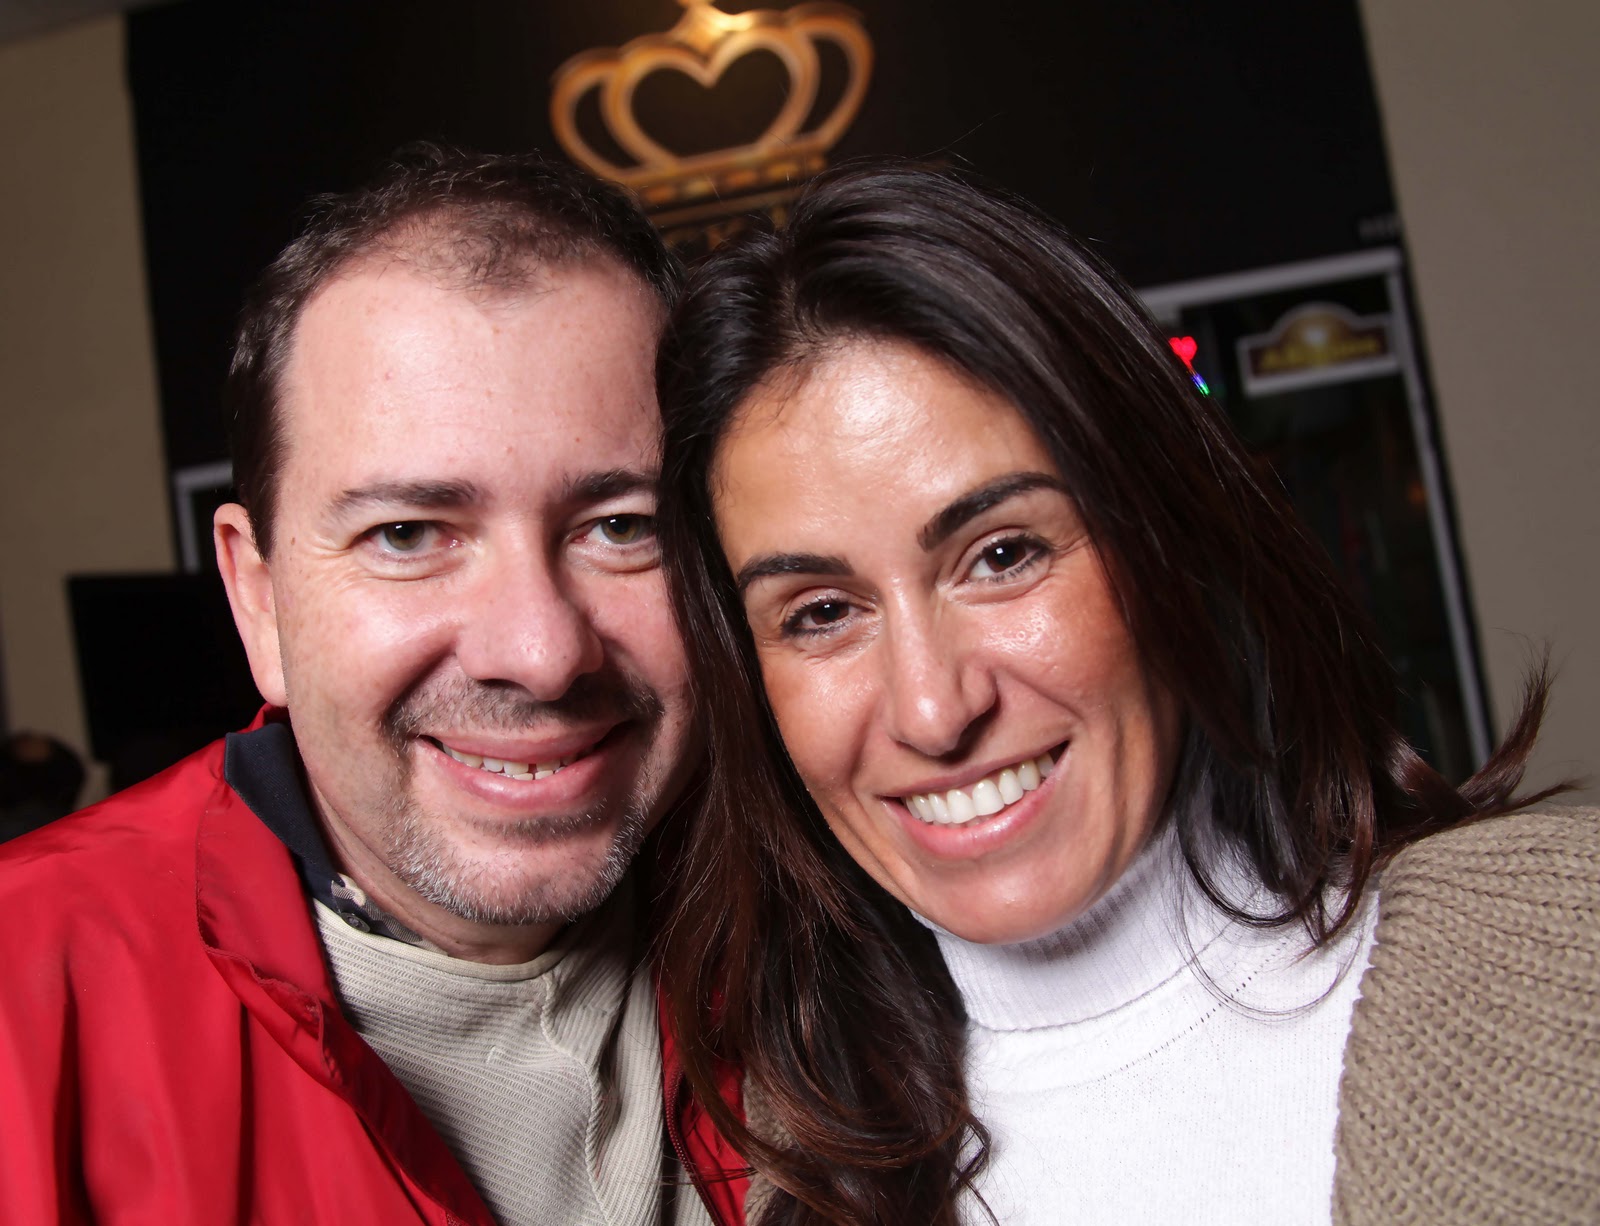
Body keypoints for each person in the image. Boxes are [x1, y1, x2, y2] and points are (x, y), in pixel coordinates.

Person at [654, 164, 1600, 1226]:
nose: (932, 710)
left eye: (1003, 554)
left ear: (1166, 540)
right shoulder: (782, 1181)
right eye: (822, 612)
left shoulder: (1570, 955)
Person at [0, 146, 740, 1225]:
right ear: (259, 597)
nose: (540, 652)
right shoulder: (21, 1002)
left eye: (622, 527)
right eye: (407, 534)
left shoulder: (853, 915)